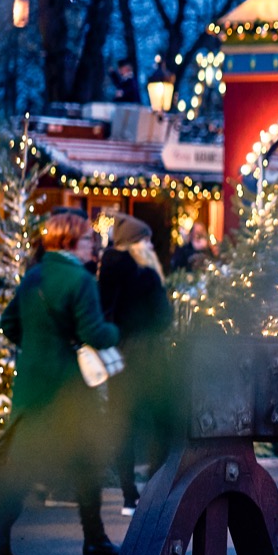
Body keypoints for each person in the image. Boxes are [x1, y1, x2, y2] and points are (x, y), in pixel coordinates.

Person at [0, 210, 124, 555]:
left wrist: (36, 347)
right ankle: (94, 540)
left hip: (32, 387)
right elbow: (95, 333)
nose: (91, 247)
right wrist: (115, 333)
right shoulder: (80, 281)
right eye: (86, 240)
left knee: (22, 465)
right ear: (67, 241)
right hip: (68, 389)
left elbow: (8, 323)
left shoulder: (33, 276)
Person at [99, 216, 174, 514]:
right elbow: (164, 318)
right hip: (149, 360)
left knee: (124, 429)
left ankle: (129, 495)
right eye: (146, 239)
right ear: (134, 244)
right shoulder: (147, 275)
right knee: (164, 423)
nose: (151, 245)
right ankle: (154, 487)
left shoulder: (106, 271)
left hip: (119, 360)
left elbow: (104, 316)